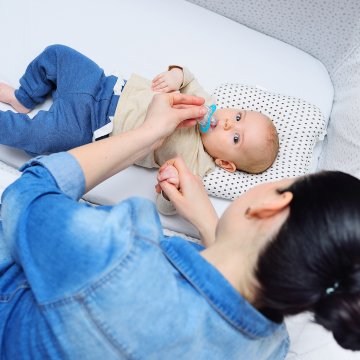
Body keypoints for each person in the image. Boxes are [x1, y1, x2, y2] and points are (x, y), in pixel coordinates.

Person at [0, 91, 359, 360]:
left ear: (274, 203)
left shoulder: (123, 250)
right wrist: (211, 227)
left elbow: (28, 194)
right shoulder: (270, 348)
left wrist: (148, 133)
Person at [0, 44, 278, 178]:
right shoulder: (202, 100)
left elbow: (168, 203)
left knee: (37, 138)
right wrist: (176, 76)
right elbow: (187, 76)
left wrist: (171, 185)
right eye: (238, 116)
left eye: (236, 138)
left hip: (89, 127)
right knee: (58, 54)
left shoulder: (194, 164)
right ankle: (23, 97)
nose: (229, 124)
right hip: (102, 85)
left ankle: (13, 119)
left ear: (225, 163)